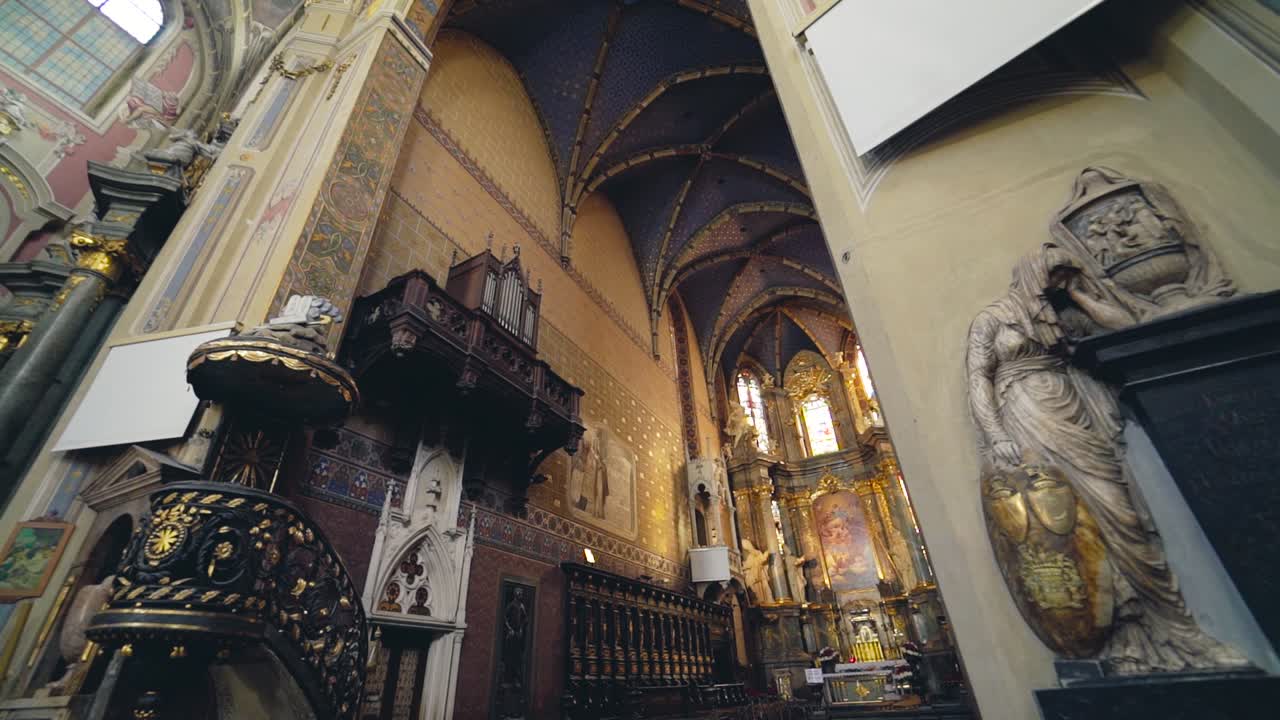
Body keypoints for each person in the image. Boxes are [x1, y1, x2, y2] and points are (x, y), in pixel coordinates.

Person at [965, 244, 1242, 673]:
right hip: (1027, 419)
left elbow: (1120, 327)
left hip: (1076, 412)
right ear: (1032, 275)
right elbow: (977, 378)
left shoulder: (1059, 315)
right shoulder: (993, 320)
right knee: (1068, 531)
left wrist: (1078, 293)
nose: (1055, 285)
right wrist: (995, 434)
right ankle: (1125, 643)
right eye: (1052, 277)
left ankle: (1178, 632)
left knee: (1125, 518)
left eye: (1062, 278)